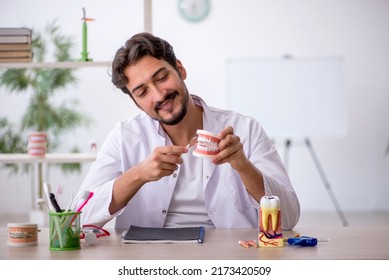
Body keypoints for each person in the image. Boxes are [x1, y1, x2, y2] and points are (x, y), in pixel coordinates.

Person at [76, 32, 300, 230]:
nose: (159, 95)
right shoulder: (125, 137)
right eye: (142, 92)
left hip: (230, 257)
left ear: (180, 69)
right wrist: (138, 175)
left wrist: (243, 166)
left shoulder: (245, 129)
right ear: (136, 102)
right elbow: (77, 219)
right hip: (150, 260)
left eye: (162, 77)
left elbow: (289, 219)